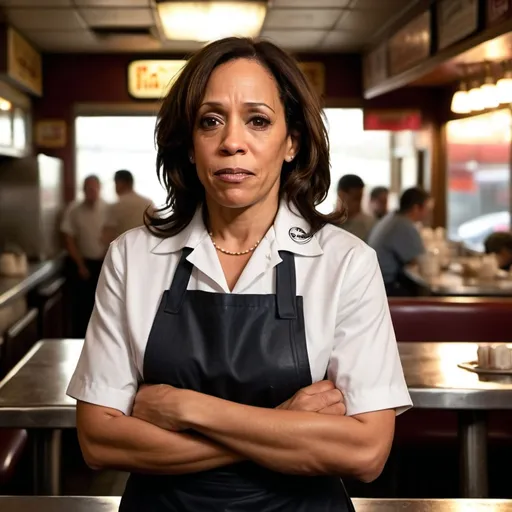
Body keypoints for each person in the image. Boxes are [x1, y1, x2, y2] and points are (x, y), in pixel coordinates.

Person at [67, 37, 411, 511]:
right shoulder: (132, 257)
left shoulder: (345, 262)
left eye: (258, 120)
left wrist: (186, 409)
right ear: (189, 145)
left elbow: (366, 451)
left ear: (291, 142)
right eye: (210, 121)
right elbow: (100, 441)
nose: (232, 142)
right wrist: (281, 424)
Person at [61, 175, 108, 337]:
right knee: (81, 310)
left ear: (100, 189)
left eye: (95, 188)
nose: (92, 192)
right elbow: (68, 238)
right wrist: (80, 265)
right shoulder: (74, 210)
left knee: (103, 309)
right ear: (83, 189)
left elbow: (113, 235)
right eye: (89, 188)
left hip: (103, 263)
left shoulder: (108, 209)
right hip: (82, 264)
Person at [368, 187, 430, 296]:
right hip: (386, 285)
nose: (428, 212)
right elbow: (419, 261)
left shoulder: (392, 218)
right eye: (427, 208)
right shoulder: (403, 225)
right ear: (416, 208)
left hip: (376, 280)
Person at [102, 170, 154, 243]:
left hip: (123, 250)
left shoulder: (116, 206)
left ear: (121, 183)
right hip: (145, 248)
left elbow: (107, 236)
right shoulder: (148, 203)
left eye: (115, 183)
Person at [336, 174, 375, 241]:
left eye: (360, 199)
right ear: (341, 195)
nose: (359, 204)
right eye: (356, 199)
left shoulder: (370, 224)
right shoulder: (329, 224)